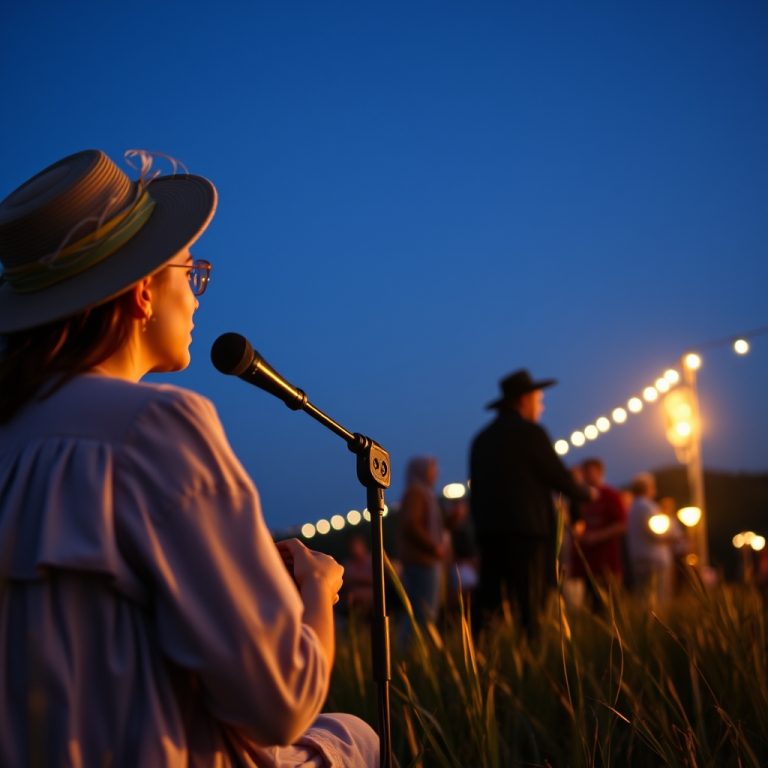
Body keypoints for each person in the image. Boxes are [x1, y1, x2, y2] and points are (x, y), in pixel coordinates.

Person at [0, 149, 377, 767]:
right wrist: (314, 592)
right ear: (144, 291)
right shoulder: (155, 426)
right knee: (356, 737)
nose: (198, 292)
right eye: (189, 270)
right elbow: (280, 703)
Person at [469, 369, 593, 635]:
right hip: (528, 534)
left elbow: (476, 493)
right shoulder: (531, 433)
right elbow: (557, 476)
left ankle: (480, 661)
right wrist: (586, 493)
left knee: (490, 604)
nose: (542, 405)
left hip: (490, 535)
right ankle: (531, 664)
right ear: (524, 400)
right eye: (539, 399)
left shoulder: (481, 440)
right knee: (530, 605)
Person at [395, 456, 446, 640]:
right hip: (421, 561)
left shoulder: (425, 493)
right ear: (422, 470)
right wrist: (433, 546)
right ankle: (409, 653)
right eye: (433, 468)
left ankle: (413, 651)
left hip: (425, 560)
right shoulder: (416, 493)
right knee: (423, 611)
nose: (437, 472)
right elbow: (411, 524)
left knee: (422, 610)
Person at [570, 457, 628, 605]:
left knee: (610, 603)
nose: (587, 477)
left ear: (600, 473)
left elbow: (622, 524)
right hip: (587, 562)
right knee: (590, 602)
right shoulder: (580, 497)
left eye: (590, 473)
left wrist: (597, 536)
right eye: (585, 473)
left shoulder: (611, 495)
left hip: (607, 560)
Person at [626, 473, 682, 605]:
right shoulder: (648, 507)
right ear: (648, 488)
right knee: (658, 596)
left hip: (637, 555)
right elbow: (658, 531)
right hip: (654, 558)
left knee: (642, 595)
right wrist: (674, 535)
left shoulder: (632, 508)